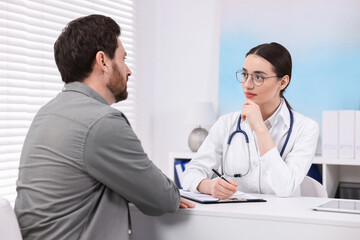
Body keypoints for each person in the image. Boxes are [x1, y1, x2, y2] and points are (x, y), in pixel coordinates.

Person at [14, 14, 194, 240]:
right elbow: (163, 199)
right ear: (103, 61)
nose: (128, 70)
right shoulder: (102, 122)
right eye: (123, 59)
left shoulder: (47, 113)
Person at [182, 42, 319, 199]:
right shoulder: (226, 124)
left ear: (283, 82)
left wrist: (260, 129)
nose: (247, 84)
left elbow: (285, 189)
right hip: (238, 216)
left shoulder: (306, 128)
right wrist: (210, 186)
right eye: (245, 75)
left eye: (258, 77)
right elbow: (190, 174)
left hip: (282, 218)